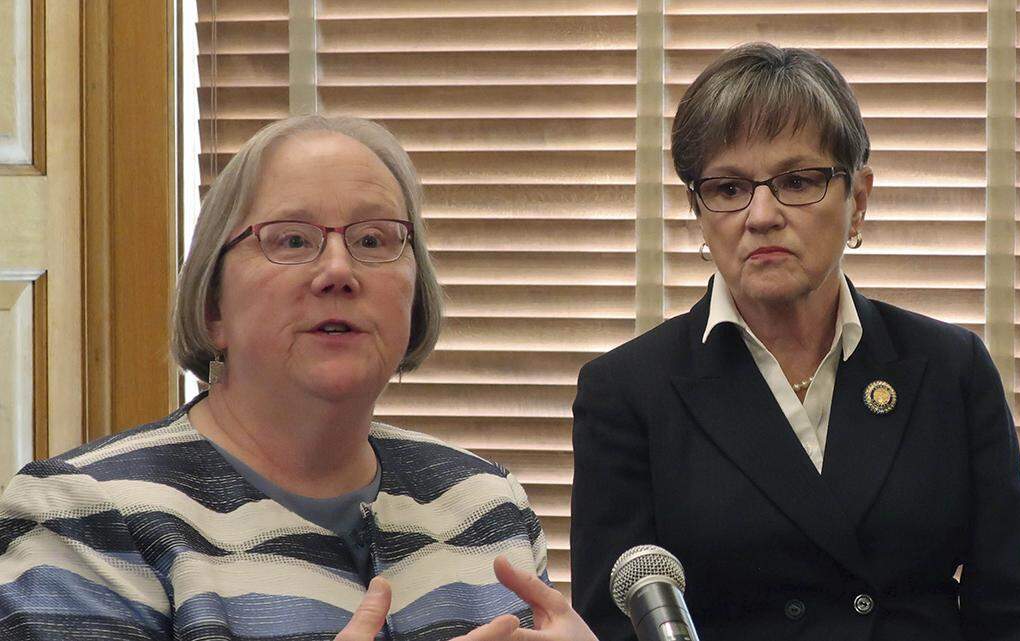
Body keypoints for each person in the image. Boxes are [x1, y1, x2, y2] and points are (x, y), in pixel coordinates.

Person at [0, 115, 597, 641]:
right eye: (291, 240)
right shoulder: (83, 518)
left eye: (373, 240)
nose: (338, 271)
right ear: (213, 306)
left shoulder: (486, 504)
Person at [570, 43, 1020, 640]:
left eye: (797, 181)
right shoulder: (627, 391)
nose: (760, 215)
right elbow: (614, 624)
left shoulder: (948, 368)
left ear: (856, 200)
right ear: (697, 211)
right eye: (728, 189)